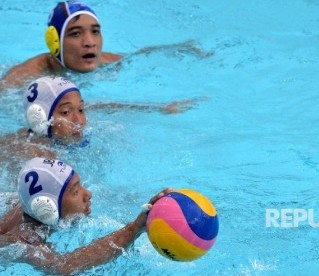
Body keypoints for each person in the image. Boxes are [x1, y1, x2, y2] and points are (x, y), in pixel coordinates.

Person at [0, 157, 173, 274]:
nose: (88, 194)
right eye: (75, 191)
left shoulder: (23, 202)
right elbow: (63, 267)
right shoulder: (22, 241)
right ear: (46, 206)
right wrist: (133, 229)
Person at [0, 76, 195, 180]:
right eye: (66, 113)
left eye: (81, 109)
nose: (79, 120)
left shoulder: (68, 127)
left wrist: (160, 109)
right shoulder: (37, 156)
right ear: (39, 120)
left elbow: (108, 107)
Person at [0, 1, 212, 90]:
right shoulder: (25, 77)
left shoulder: (105, 61)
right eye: (75, 33)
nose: (90, 42)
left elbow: (141, 56)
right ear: (54, 42)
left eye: (95, 31)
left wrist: (183, 49)